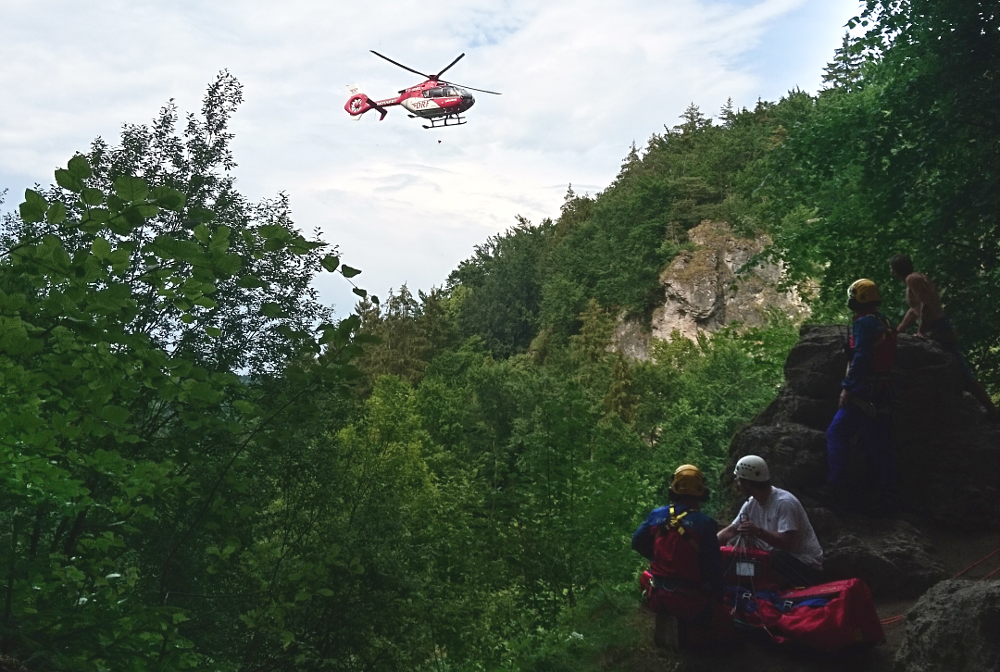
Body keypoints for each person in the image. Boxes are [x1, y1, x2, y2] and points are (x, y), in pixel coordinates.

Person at [632, 464, 739, 651]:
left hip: (657, 596)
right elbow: (713, 569)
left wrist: (658, 556)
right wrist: (720, 596)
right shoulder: (705, 524)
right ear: (701, 491)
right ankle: (687, 639)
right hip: (689, 601)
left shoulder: (657, 515)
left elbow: (637, 542)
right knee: (731, 634)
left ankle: (672, 625)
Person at [889, 254, 998, 422]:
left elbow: (926, 304)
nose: (891, 272)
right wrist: (899, 331)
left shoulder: (913, 279)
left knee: (963, 374)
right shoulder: (913, 280)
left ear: (896, 269)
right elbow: (914, 310)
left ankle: (993, 412)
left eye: (891, 268)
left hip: (939, 327)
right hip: (936, 327)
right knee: (953, 371)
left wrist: (921, 332)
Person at [824, 278, 899, 511]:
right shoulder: (883, 321)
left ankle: (835, 489)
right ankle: (889, 495)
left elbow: (863, 357)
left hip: (864, 390)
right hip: (883, 389)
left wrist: (847, 386)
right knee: (879, 445)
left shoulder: (864, 324)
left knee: (836, 433)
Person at [718, 456, 824, 587]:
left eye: (739, 481)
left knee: (774, 556)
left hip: (805, 567)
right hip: (775, 561)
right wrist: (710, 546)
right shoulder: (752, 503)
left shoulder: (784, 503)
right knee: (735, 548)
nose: (738, 484)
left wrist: (759, 532)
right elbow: (731, 531)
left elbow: (787, 544)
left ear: (748, 483)